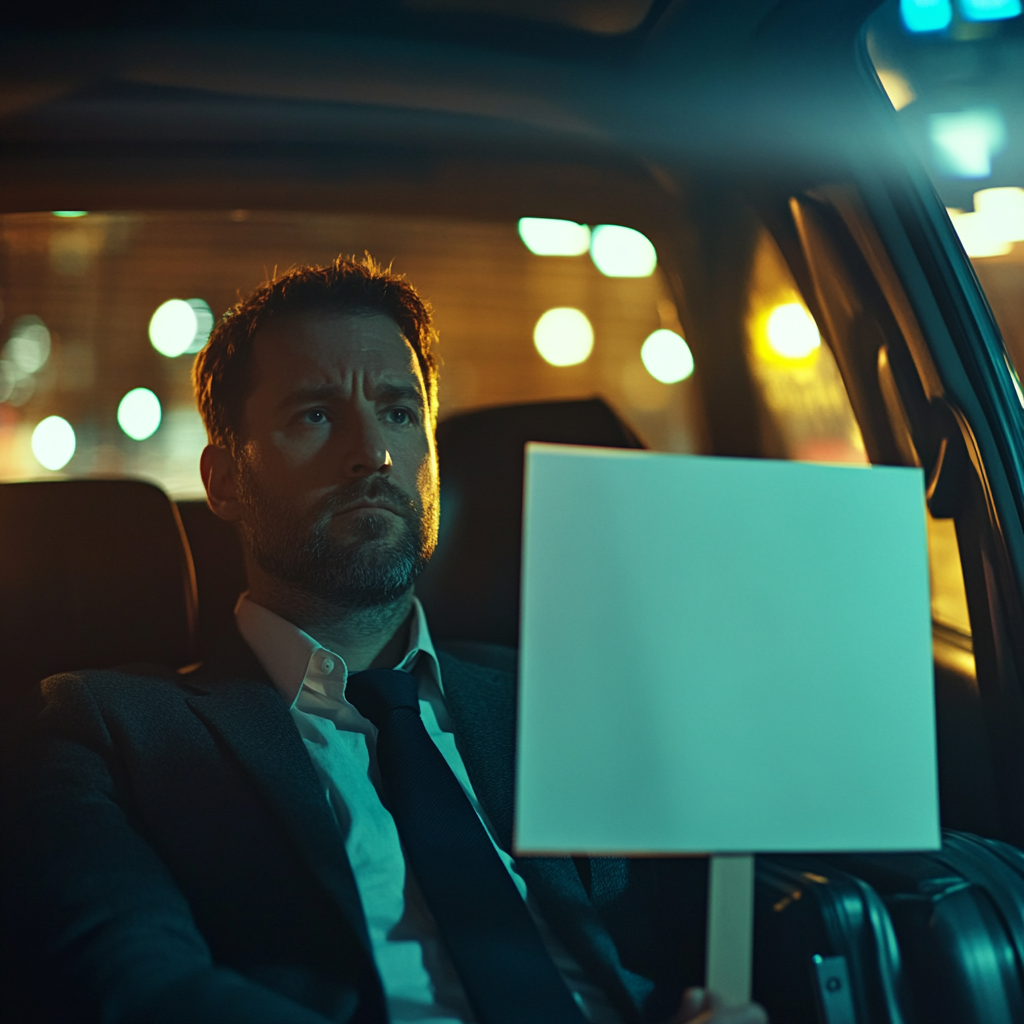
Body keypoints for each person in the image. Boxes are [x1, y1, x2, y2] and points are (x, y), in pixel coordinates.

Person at [4, 256, 766, 1024]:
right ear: (226, 479)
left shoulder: (555, 698)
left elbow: (685, 928)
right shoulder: (102, 727)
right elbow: (140, 993)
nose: (374, 454)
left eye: (400, 413)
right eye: (316, 415)